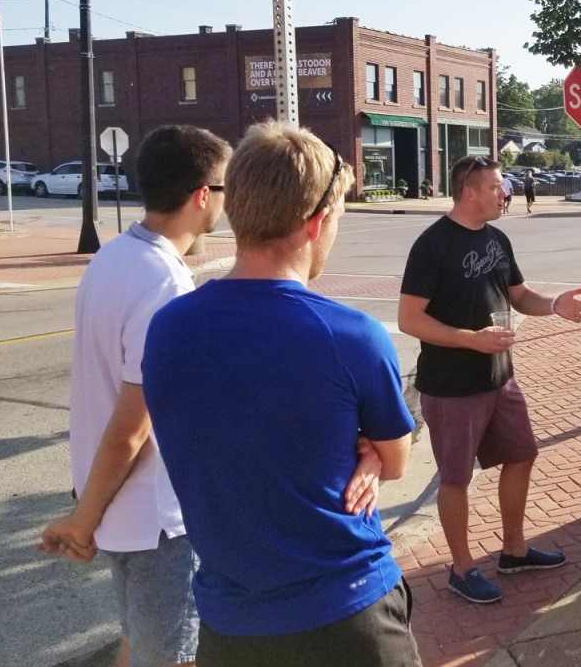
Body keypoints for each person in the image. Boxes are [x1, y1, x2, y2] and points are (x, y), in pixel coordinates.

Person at [142, 121, 420, 666]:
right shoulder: (352, 336)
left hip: (231, 628)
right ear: (317, 222)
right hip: (349, 614)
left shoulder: (168, 329)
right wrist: (364, 446)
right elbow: (395, 459)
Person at [37, 125, 230, 667]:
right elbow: (134, 423)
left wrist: (89, 510)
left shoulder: (114, 256)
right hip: (156, 517)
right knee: (169, 656)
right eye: (225, 187)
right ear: (201, 195)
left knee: (140, 645)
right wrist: (83, 520)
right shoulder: (164, 282)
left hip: (123, 509)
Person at [398, 155, 581, 604]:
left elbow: (519, 295)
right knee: (455, 478)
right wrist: (469, 339)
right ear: (469, 192)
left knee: (523, 454)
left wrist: (554, 306)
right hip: (452, 385)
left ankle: (514, 549)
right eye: (496, 187)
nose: (504, 193)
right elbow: (409, 319)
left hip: (499, 377)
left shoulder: (497, 238)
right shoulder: (432, 245)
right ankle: (462, 568)